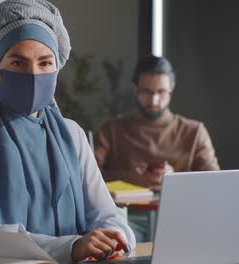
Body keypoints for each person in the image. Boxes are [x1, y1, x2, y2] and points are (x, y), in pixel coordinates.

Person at [0, 1, 135, 263]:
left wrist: (115, 237)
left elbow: (106, 213)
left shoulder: (73, 135)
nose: (33, 74)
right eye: (18, 62)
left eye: (45, 63)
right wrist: (71, 247)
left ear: (56, 69)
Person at [93, 55, 220, 242]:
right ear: (135, 89)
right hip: (125, 217)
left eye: (161, 92)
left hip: (182, 216)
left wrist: (174, 179)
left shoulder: (194, 132)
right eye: (146, 92)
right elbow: (87, 178)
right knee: (118, 241)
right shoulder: (111, 130)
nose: (154, 100)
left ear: (171, 89)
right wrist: (134, 178)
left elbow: (214, 183)